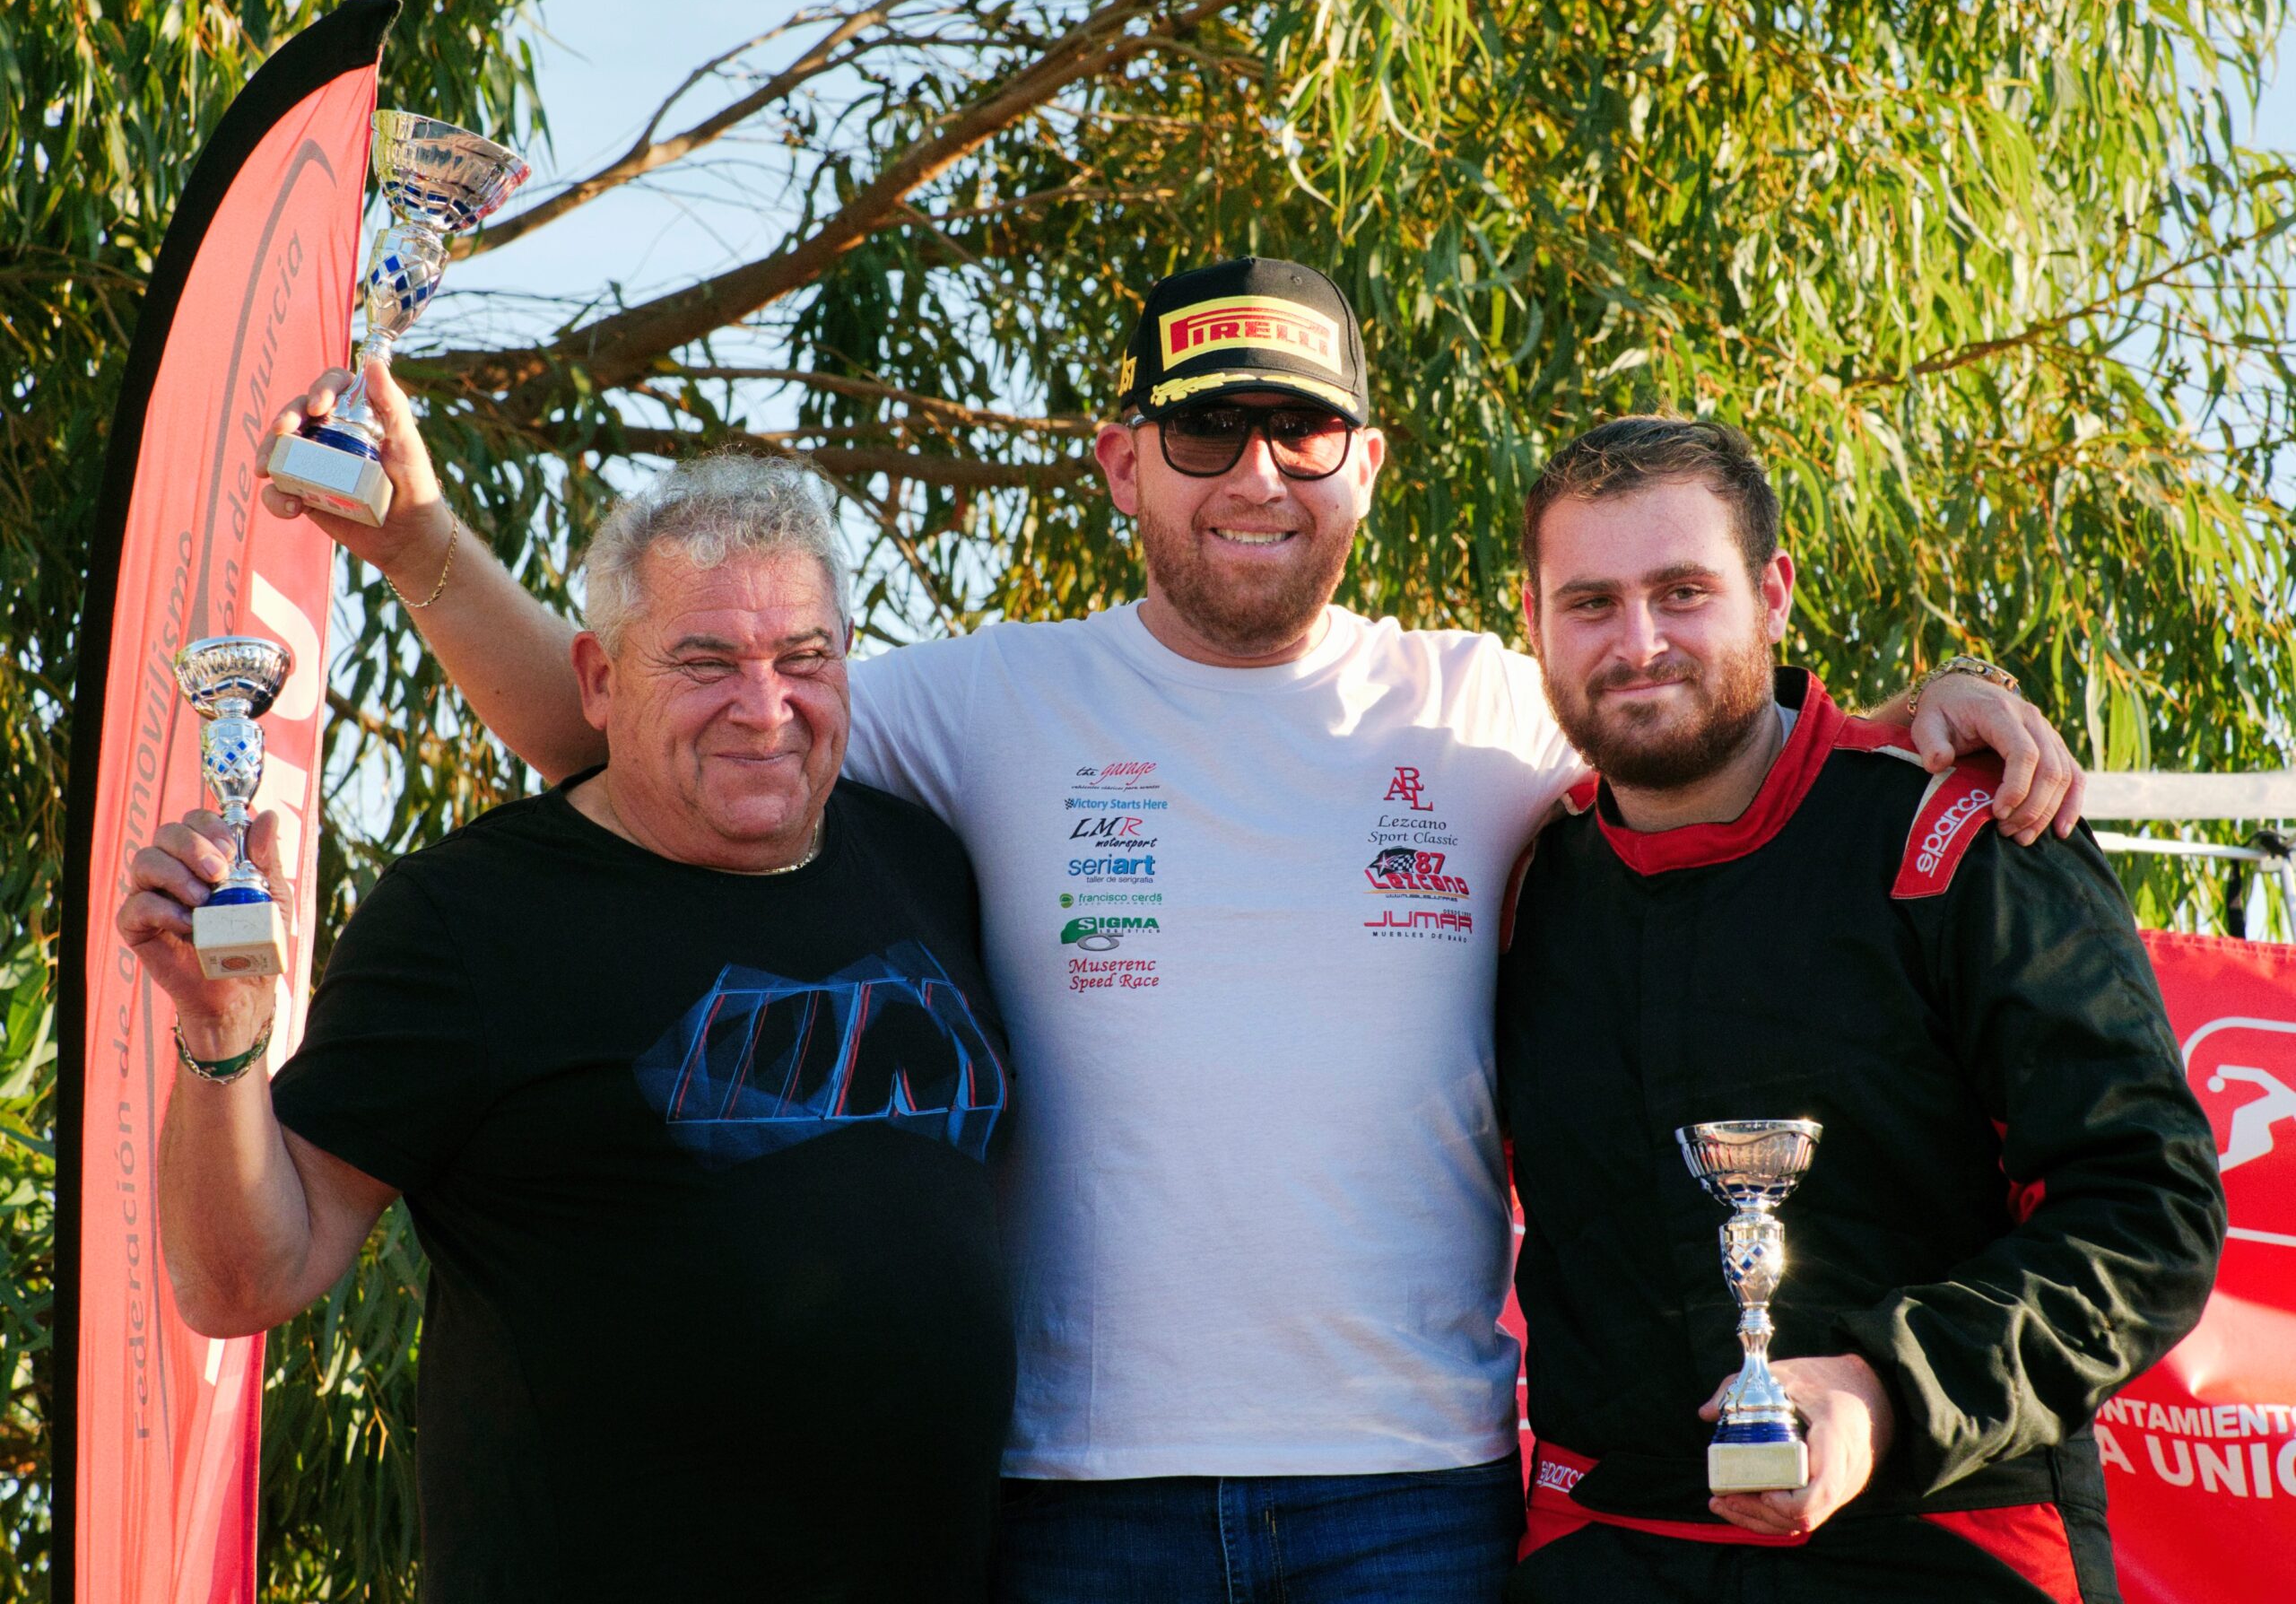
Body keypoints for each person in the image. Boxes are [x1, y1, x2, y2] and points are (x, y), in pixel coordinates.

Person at [265, 257, 2083, 1602]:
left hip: (1414, 1496)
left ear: (1366, 463)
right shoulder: (985, 702)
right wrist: (418, 540)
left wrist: (1913, 713)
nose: (1256, 472)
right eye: (1207, 429)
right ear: (1123, 460)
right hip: (1075, 1502)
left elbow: (1708, 738)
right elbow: (634, 733)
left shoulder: (1487, 705)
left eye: (1301, 430)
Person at [121, 458, 1015, 1602]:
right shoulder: (469, 919)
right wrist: (223, 1038)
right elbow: (243, 1282)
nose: (764, 707)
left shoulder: (927, 861)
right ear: (598, 678)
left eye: (804, 659)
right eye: (705, 663)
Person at [1497, 417, 2224, 1602]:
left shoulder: (1961, 835)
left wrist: (1885, 1391)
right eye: (1591, 604)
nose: (1639, 643)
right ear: (1532, 622)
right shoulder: (1520, 873)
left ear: (1772, 594)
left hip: (1944, 1540)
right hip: (1607, 1546)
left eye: (1683, 592)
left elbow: (2150, 1214)